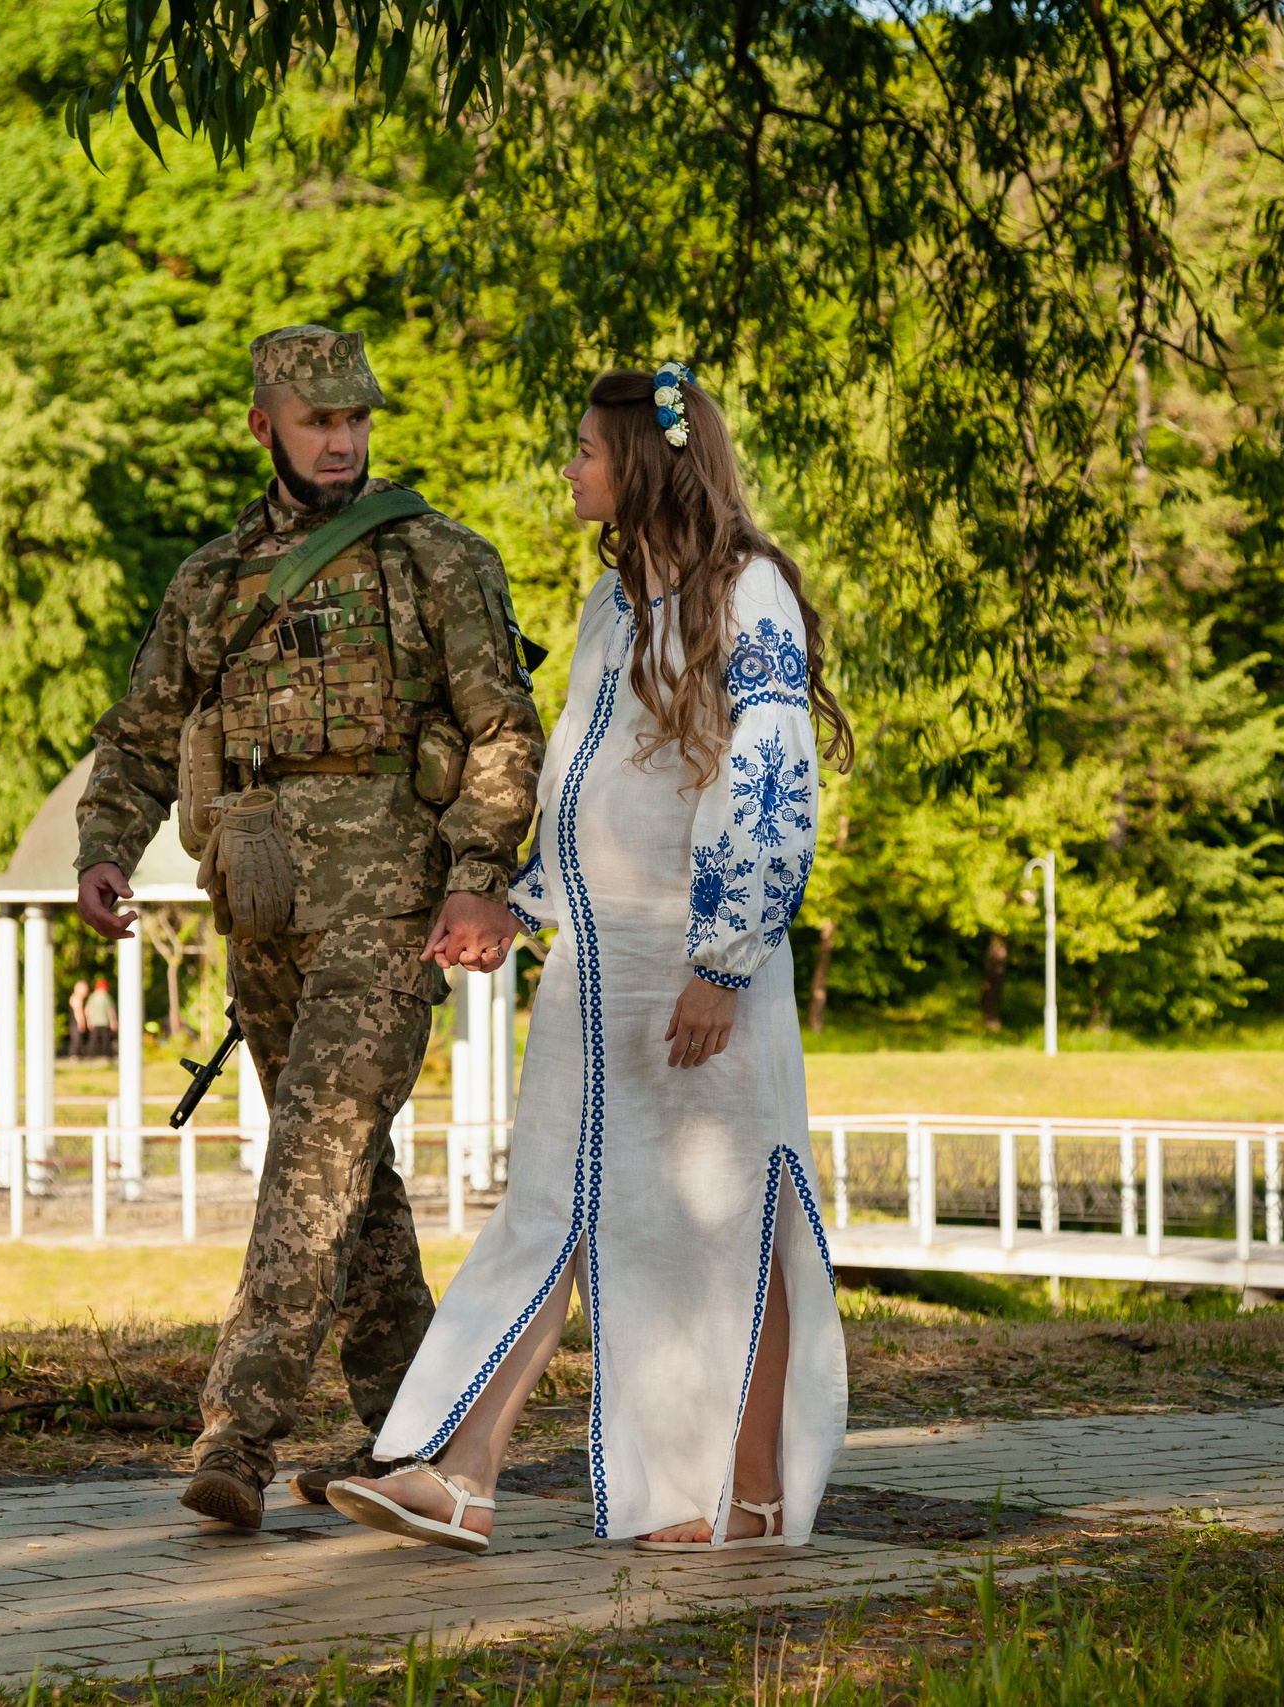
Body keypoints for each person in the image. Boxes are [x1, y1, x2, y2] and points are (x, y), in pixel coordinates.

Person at [326, 363, 852, 1554]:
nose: (567, 469)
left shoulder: (747, 591)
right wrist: (519, 906)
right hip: (595, 966)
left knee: (730, 1219)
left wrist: (724, 963)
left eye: (584, 450)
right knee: (547, 1210)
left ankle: (749, 1494)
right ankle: (461, 1474)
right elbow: (582, 775)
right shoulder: (613, 605)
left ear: (642, 464)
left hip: (697, 967)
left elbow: (771, 778)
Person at [75, 325, 547, 1530]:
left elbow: (502, 730)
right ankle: (417, 1436)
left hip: (389, 910)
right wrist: (103, 850)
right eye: (316, 421)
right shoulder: (211, 579)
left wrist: (478, 875)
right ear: (264, 428)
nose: (340, 441)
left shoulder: (437, 560)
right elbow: (140, 735)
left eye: (354, 419)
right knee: (350, 1179)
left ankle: (235, 1433)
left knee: (313, 1157)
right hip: (262, 908)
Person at [85, 977, 117, 1059]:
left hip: (96, 1022)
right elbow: (111, 1010)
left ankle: (91, 1056)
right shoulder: (106, 997)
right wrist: (113, 1021)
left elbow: (88, 1009)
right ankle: (108, 1056)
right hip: (103, 1021)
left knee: (95, 1040)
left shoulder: (92, 996)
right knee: (105, 1040)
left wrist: (89, 1021)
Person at [66, 979, 90, 1060]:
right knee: (76, 1038)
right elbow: (78, 1011)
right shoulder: (77, 999)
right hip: (76, 1021)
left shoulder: (75, 998)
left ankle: (76, 1055)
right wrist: (81, 1022)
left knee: (77, 1038)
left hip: (74, 1021)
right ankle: (74, 1055)